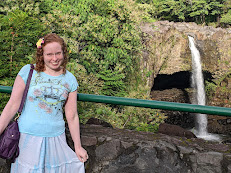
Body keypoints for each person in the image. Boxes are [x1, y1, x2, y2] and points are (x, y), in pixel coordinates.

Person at [0, 33, 88, 173]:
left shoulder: (70, 79)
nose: (54, 58)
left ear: (63, 53)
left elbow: (72, 115)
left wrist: (78, 146)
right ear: (42, 55)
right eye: (49, 54)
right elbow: (12, 105)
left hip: (56, 138)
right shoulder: (28, 71)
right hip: (27, 137)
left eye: (58, 53)